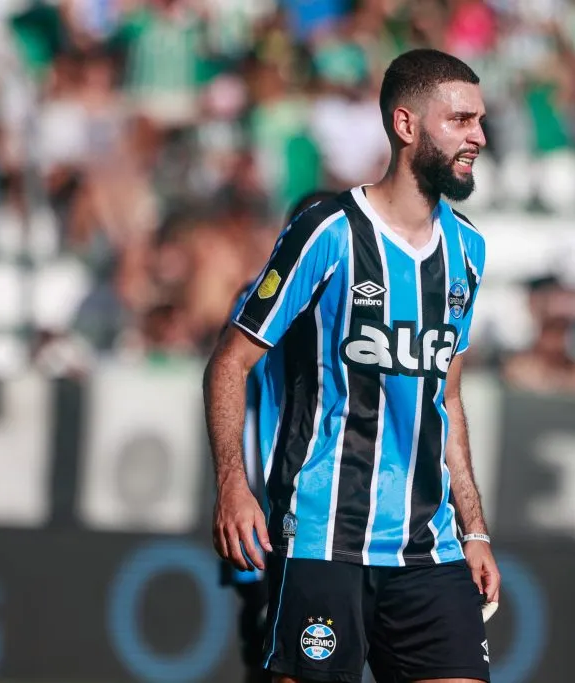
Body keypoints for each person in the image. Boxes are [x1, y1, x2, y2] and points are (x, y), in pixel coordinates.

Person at [204, 48, 499, 683]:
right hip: (321, 538)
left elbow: (445, 399)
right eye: (462, 120)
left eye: (480, 120)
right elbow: (230, 362)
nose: (478, 135)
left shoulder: (468, 251)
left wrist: (474, 530)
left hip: (430, 547)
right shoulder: (327, 232)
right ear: (407, 124)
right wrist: (233, 484)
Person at [219, 189, 340, 683]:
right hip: (276, 502)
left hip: (327, 511)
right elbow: (242, 400)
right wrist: (241, 489)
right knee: (278, 652)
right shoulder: (258, 300)